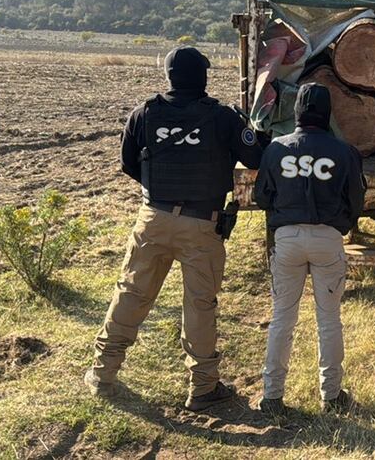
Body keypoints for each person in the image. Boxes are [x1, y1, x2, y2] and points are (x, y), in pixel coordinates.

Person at [85, 46, 263, 411]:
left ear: (168, 76)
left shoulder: (144, 114)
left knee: (130, 295)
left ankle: (103, 374)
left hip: (153, 218)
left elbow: (129, 165)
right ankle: (202, 388)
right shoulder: (224, 118)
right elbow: (256, 157)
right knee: (199, 306)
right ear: (203, 77)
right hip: (202, 224)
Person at [253, 82, 366, 415]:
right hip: (328, 240)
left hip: (286, 239)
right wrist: (340, 225)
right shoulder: (345, 151)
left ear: (297, 111)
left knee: (281, 320)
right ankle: (331, 396)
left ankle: (272, 396)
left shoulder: (276, 148)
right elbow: (356, 200)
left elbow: (262, 196)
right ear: (328, 113)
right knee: (329, 320)